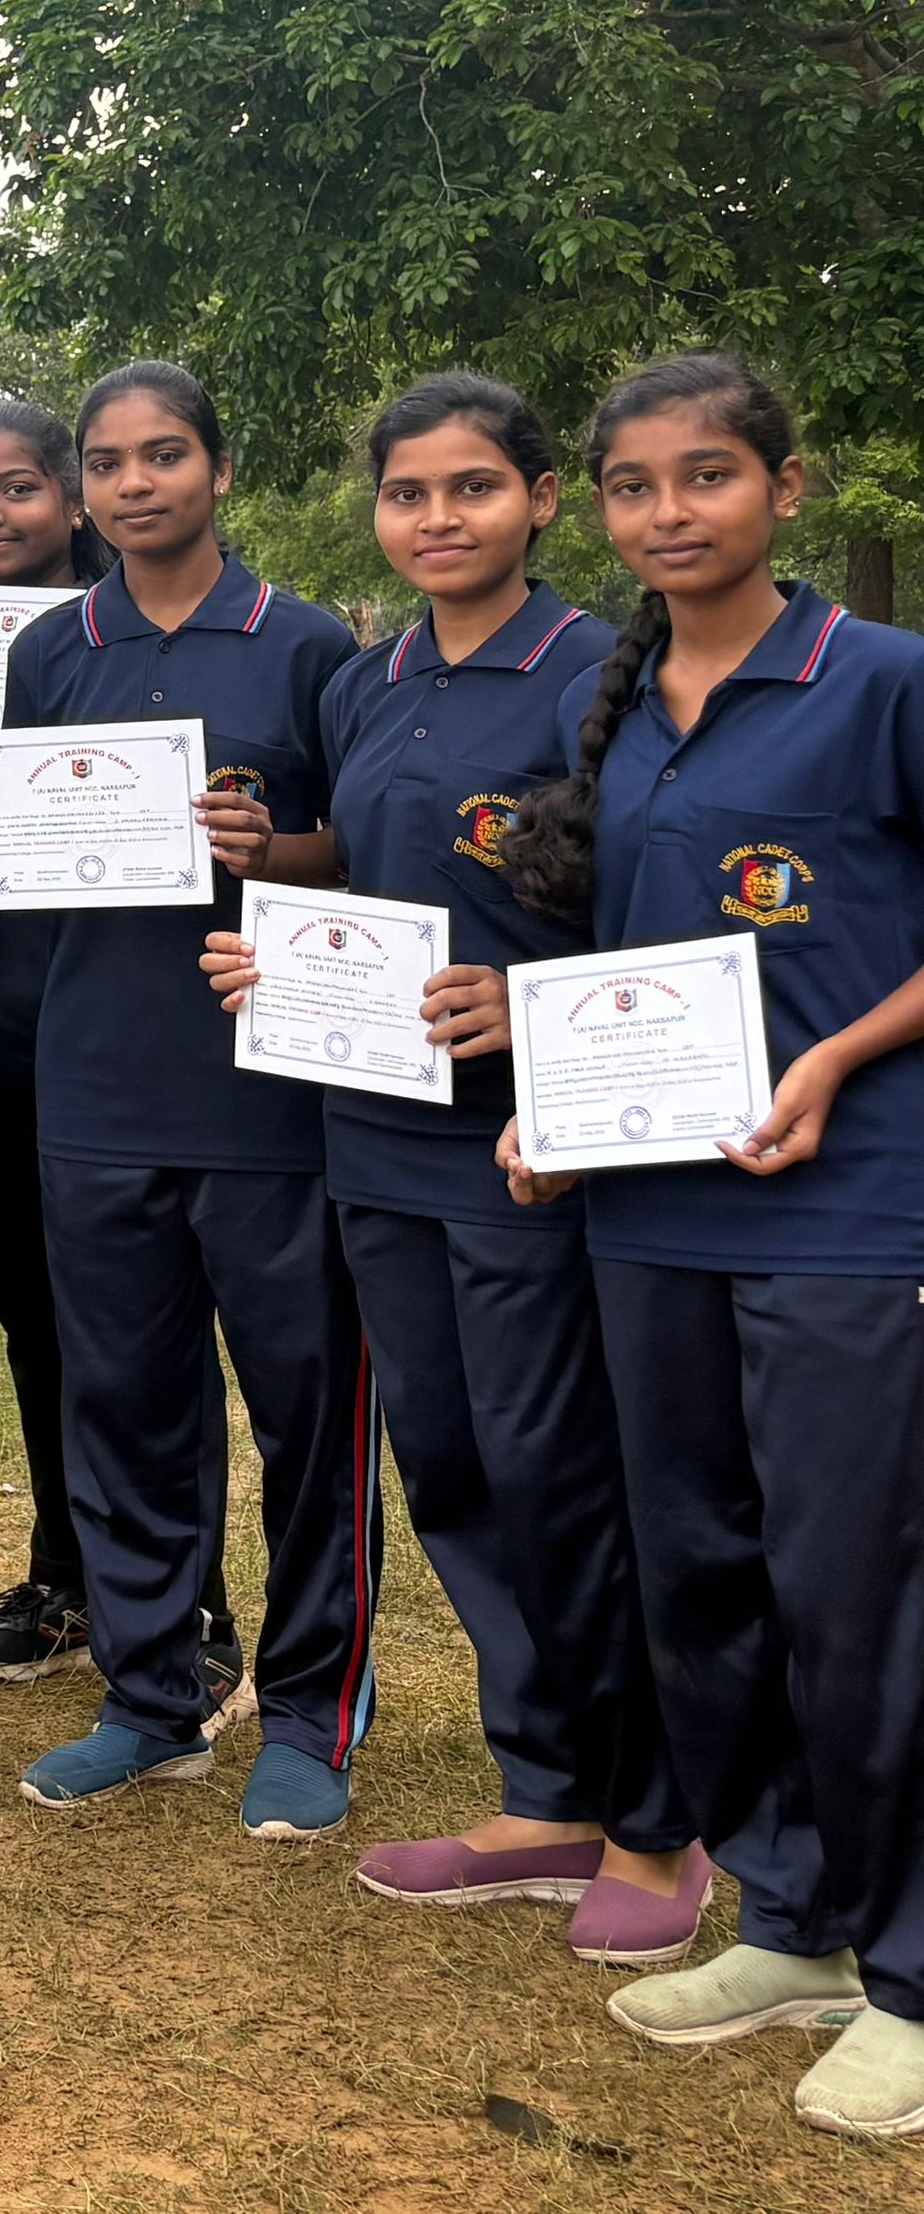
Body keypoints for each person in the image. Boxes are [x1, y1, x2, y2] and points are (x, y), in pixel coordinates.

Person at [190, 374, 701, 1960]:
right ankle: (542, 1796)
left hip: (530, 1146)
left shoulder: (605, 677)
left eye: (472, 487)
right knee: (455, 1470)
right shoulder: (369, 679)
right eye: (408, 494)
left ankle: (656, 1823)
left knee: (562, 1472)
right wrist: (272, 912)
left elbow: (671, 918)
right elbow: (360, 861)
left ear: (541, 500)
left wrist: (527, 1012)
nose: (437, 519)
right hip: (372, 1137)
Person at [496, 353, 924, 2139]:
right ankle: (793, 1919)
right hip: (650, 1210)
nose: (669, 513)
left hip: (847, 1203)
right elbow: (614, 970)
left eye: (708, 476)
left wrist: (833, 1059)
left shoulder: (880, 681)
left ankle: (913, 1971)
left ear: (783, 488)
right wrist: (551, 1105)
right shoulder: (606, 703)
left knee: (858, 1586)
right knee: (701, 1571)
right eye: (634, 486)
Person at [0, 360, 370, 1837]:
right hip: (93, 1085)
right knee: (126, 1408)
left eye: (163, 455)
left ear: (218, 469)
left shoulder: (307, 643)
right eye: (106, 463)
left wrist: (269, 850)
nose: (133, 483)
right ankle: (152, 1698)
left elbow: (359, 848)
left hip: (268, 1093)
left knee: (307, 1416)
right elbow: (25, 859)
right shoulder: (50, 650)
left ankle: (311, 1713)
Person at [0, 402, 239, 1706]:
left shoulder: (142, 641)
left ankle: (193, 1604)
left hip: (138, 1035)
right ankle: (66, 1578)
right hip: (0, 1039)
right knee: (39, 1326)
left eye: (19, 488)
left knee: (153, 1336)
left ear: (70, 501)